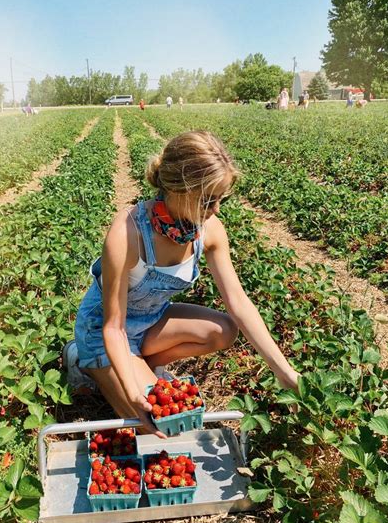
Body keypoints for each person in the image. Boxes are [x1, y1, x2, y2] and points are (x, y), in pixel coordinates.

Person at [62, 131, 300, 435]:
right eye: (207, 200)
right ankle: (84, 363)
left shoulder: (210, 230)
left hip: (150, 324)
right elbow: (113, 327)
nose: (215, 210)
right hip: (105, 333)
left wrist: (284, 372)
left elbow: (238, 304)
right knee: (157, 422)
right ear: (178, 189)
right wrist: (135, 395)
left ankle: (141, 366)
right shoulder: (128, 233)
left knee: (224, 330)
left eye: (220, 199)